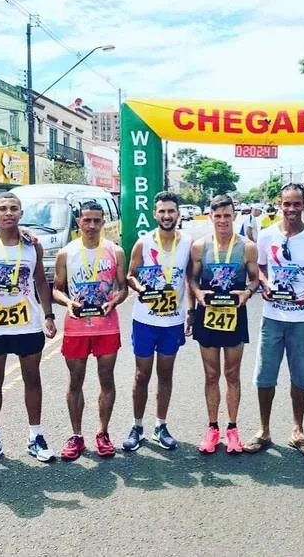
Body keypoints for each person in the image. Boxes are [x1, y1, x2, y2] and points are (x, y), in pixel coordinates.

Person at [0, 192, 57, 468]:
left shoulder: (33, 246)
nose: (8, 213)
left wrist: (49, 315)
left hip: (28, 323)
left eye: (14, 209)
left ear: (21, 214)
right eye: (3, 209)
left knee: (32, 379)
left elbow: (41, 281)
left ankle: (35, 436)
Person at [244, 183, 304, 457]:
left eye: (296, 204)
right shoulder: (267, 236)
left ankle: (297, 431)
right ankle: (264, 430)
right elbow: (261, 269)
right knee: (265, 374)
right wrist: (266, 286)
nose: (291, 209)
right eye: (286, 204)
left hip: (303, 319)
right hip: (273, 317)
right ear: (279, 204)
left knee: (300, 376)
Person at [53, 201, 128, 460]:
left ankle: (102, 432)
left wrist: (113, 301)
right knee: (76, 381)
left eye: (97, 220)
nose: (92, 225)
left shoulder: (115, 252)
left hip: (106, 325)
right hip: (76, 327)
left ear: (103, 221)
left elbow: (123, 288)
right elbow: (57, 289)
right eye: (87, 220)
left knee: (106, 379)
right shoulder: (66, 253)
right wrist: (68, 303)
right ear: (79, 222)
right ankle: (76, 436)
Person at [121, 191, 192, 451]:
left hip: (172, 321)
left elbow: (190, 280)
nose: (166, 216)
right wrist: (141, 289)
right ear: (154, 213)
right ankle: (137, 425)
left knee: (165, 373)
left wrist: (191, 313)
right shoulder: (143, 243)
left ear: (178, 213)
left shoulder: (187, 243)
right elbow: (130, 275)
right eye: (161, 211)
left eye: (171, 211)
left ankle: (160, 425)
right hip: (145, 321)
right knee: (141, 375)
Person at [189, 195, 259, 454]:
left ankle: (232, 428)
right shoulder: (199, 246)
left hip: (234, 315)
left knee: (232, 375)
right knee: (211, 375)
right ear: (211, 217)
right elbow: (192, 281)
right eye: (217, 216)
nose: (222, 220)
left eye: (227, 215)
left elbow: (254, 279)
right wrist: (197, 296)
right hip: (207, 316)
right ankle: (212, 428)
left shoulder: (247, 247)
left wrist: (248, 293)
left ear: (234, 216)